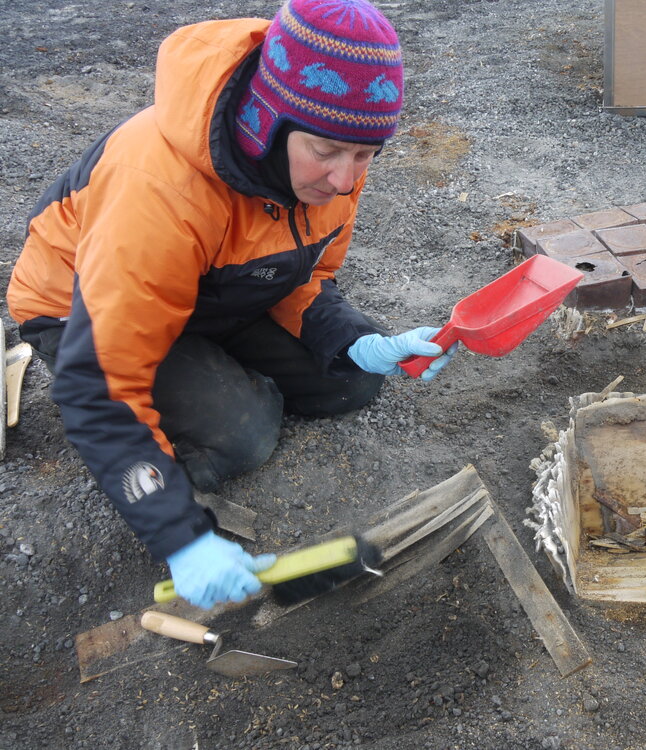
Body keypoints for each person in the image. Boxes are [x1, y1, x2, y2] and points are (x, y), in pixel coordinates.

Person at [5, 0, 456, 609]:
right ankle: (159, 461)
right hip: (79, 310)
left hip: (211, 292)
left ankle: (210, 366)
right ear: (265, 123)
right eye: (326, 151)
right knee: (244, 431)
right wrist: (181, 536)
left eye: (366, 154)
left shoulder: (335, 149)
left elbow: (298, 272)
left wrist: (353, 339)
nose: (346, 180)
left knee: (349, 381)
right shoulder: (158, 190)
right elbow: (103, 379)